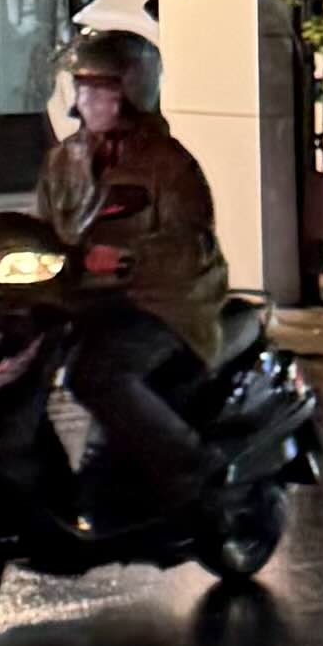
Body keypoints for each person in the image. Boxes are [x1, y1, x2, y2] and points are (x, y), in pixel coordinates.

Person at [43, 26, 231, 522]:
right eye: (82, 85)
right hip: (87, 300)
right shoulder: (64, 160)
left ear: (133, 90)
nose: (87, 97)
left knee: (94, 372)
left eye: (100, 87)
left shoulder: (169, 166)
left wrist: (128, 259)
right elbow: (42, 229)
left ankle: (192, 466)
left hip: (164, 304)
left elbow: (191, 246)